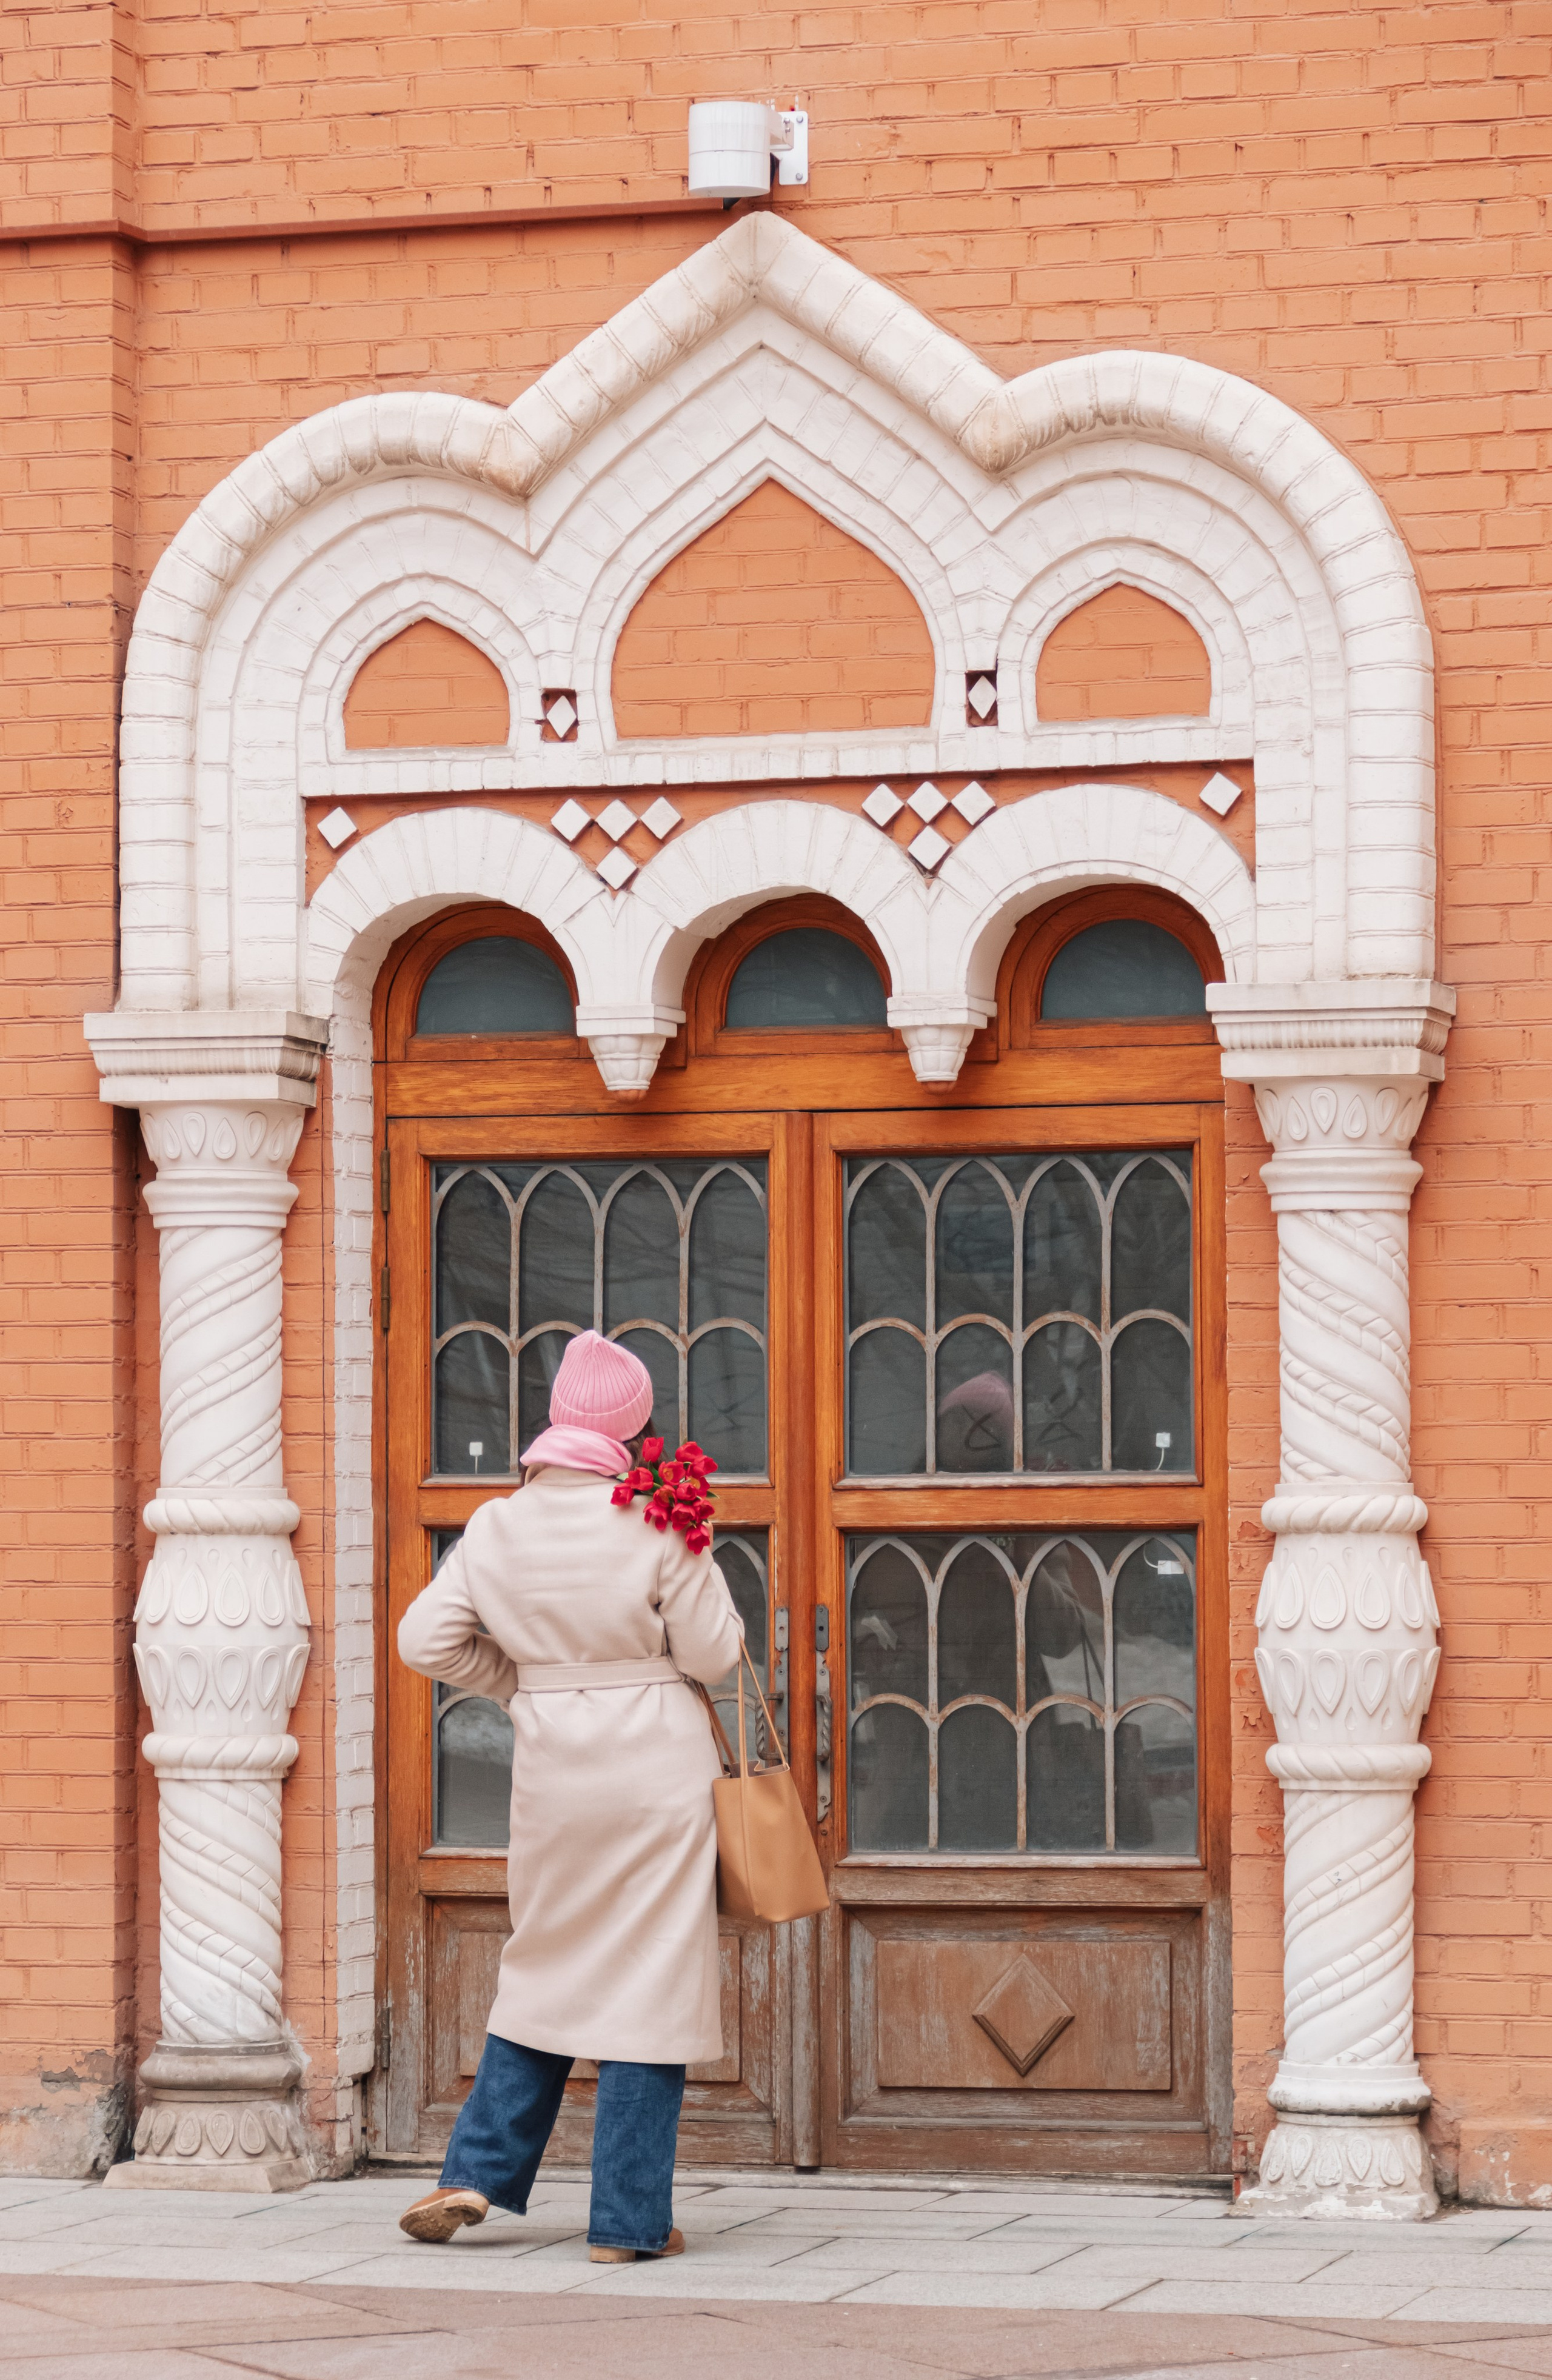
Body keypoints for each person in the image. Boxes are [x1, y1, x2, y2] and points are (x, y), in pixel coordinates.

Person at [395, 1331, 743, 2262]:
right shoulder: (656, 1517)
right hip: (657, 1768)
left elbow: (423, 1640)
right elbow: (715, 1655)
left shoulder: (498, 1524)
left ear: (555, 1418)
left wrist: (520, 1684)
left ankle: (473, 2168)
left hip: (553, 1768)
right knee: (651, 1977)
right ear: (634, 1426)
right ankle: (627, 2224)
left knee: (544, 1959)